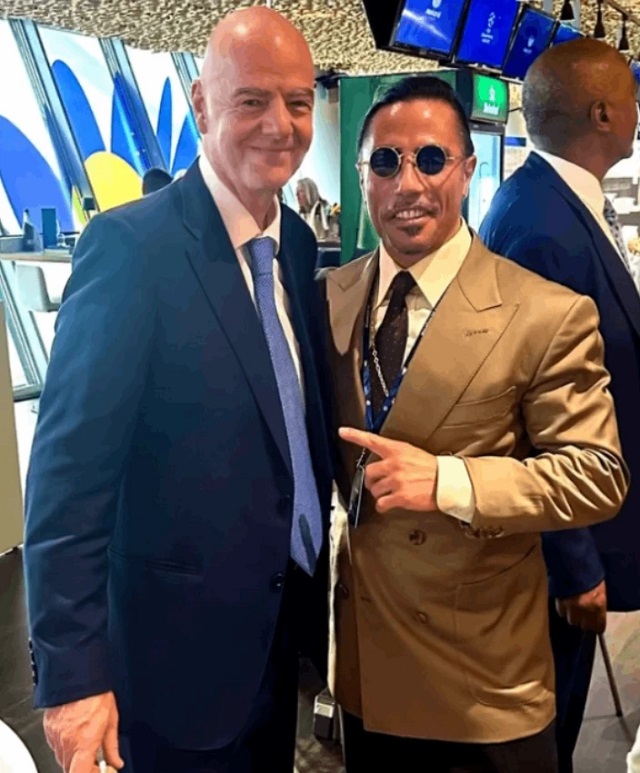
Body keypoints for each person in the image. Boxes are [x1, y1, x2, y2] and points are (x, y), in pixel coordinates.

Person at [22, 7, 333, 773]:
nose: (280, 125)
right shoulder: (132, 248)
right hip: (171, 668)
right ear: (201, 104)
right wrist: (72, 679)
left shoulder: (294, 245)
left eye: (297, 102)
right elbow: (66, 484)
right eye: (252, 100)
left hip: (276, 639)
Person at [322, 75, 629, 773]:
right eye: (386, 162)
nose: (408, 183)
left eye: (431, 159)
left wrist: (450, 481)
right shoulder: (330, 298)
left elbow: (597, 474)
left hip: (482, 684)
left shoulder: (544, 312)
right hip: (367, 671)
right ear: (363, 177)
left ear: (466, 171)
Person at [479, 38, 640, 773]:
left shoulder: (563, 206)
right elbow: (517, 413)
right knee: (544, 733)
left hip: (585, 528)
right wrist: (572, 562)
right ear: (603, 113)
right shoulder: (539, 225)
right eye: (632, 99)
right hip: (559, 551)